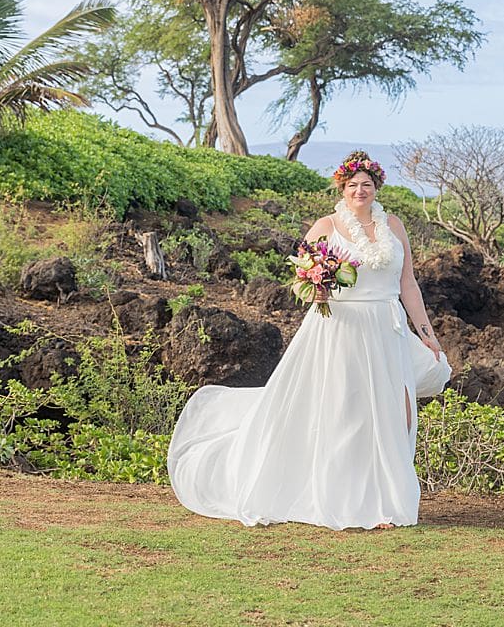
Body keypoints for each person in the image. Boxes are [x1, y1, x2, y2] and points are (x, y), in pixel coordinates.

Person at [167, 150, 452, 530]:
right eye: (353, 185)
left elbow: (407, 283)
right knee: (349, 411)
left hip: (388, 327)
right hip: (343, 327)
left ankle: (388, 499)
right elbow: (302, 277)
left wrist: (427, 334)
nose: (360, 190)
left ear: (376, 187)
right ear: (343, 188)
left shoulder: (394, 225)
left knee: (395, 411)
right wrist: (317, 288)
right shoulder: (326, 225)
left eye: (367, 184)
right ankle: (352, 501)